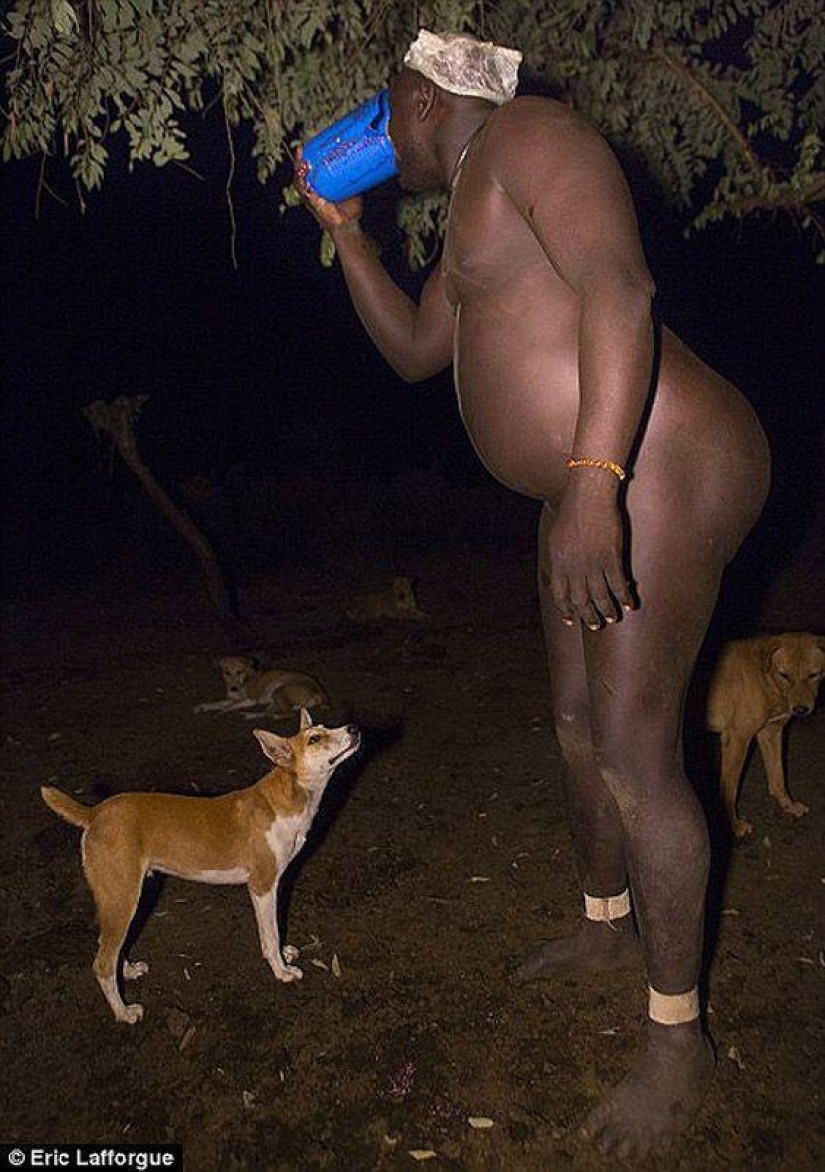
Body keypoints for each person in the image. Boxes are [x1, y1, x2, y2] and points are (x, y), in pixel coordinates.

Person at [294, 28, 770, 1160]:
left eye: (382, 110)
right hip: (591, 482)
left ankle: (676, 1042)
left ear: (415, 101)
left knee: (636, 755)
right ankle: (607, 926)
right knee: (574, 726)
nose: (375, 133)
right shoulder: (470, 200)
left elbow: (621, 285)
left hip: (657, 463)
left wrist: (599, 484)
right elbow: (418, 349)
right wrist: (347, 238)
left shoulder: (531, 136)